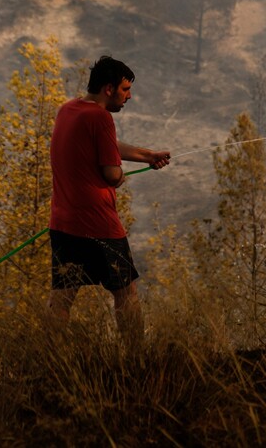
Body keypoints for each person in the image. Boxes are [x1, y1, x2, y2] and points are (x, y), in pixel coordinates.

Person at [47, 55, 170, 345]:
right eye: (125, 89)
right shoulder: (101, 117)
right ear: (108, 88)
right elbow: (112, 173)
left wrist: (147, 156)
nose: (129, 96)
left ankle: (47, 359)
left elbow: (104, 145)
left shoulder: (69, 110)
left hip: (64, 223)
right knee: (126, 293)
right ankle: (136, 357)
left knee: (62, 297)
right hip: (99, 225)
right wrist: (117, 176)